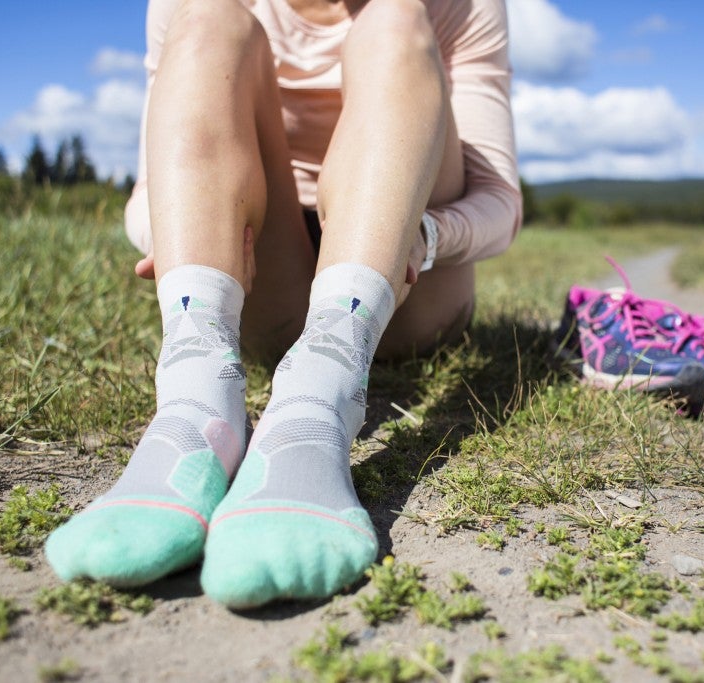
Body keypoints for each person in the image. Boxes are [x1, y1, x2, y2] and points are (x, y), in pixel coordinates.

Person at [44, 0, 521, 610]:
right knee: (208, 20)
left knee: (394, 19)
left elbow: (500, 202)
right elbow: (149, 192)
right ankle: (194, 410)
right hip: (268, 259)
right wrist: (173, 238)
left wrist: (422, 238)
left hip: (408, 279)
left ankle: (317, 404)